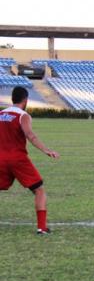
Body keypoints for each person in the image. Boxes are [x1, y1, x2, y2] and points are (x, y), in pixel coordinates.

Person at [0, 86, 60, 234]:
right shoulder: (23, 116)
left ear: (12, 98)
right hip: (18, 159)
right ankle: (42, 228)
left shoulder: (1, 114)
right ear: (26, 100)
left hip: (1, 158)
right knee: (39, 190)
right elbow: (30, 135)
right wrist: (46, 150)